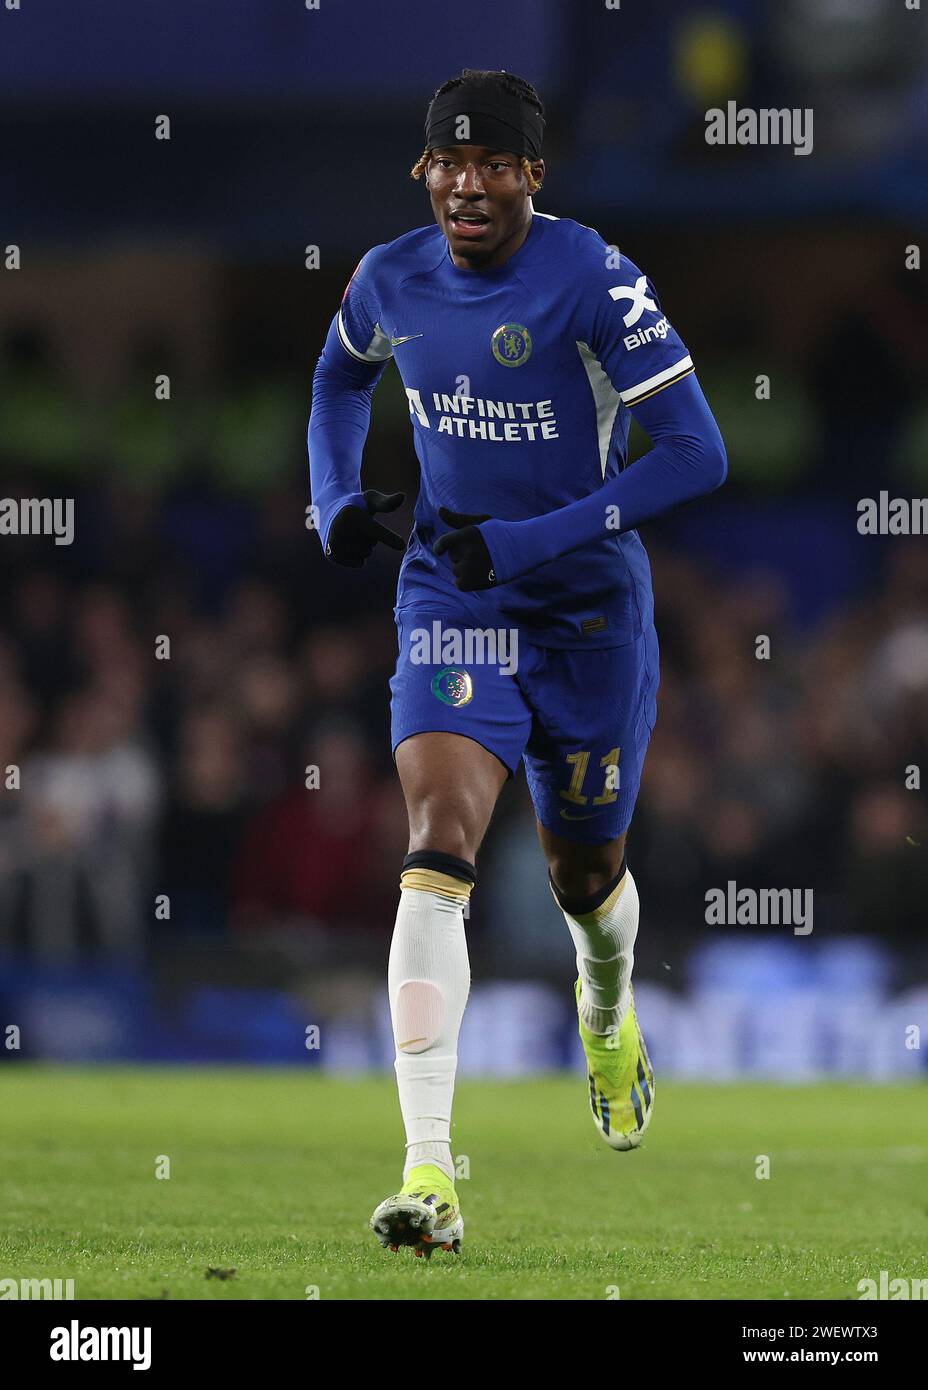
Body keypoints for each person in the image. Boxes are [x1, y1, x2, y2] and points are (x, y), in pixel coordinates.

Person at [308, 68, 727, 1258]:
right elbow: (340, 374)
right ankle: (429, 1171)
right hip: (453, 594)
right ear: (424, 173)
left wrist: (534, 541)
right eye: (449, 161)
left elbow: (698, 451)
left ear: (533, 175)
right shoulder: (390, 276)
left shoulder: (593, 279)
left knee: (584, 879)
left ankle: (607, 1009)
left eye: (495, 163)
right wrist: (333, 498)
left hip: (587, 612)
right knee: (436, 846)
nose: (468, 183)